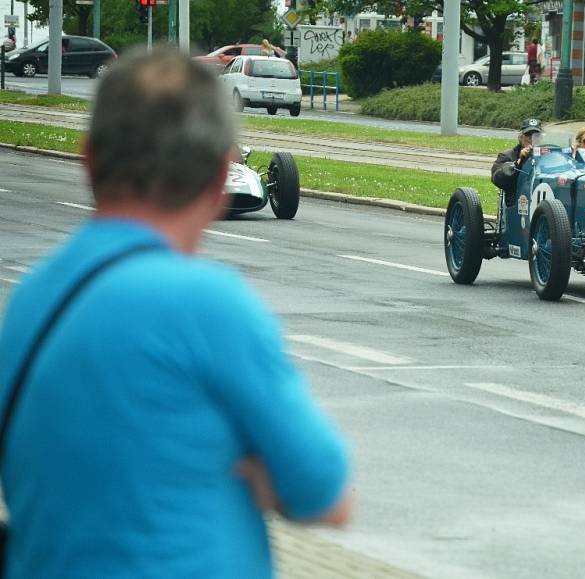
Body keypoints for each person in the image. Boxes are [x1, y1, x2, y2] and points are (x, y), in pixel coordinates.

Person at [0, 47, 352, 579]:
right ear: (220, 177)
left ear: (89, 159)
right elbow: (325, 494)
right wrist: (247, 467)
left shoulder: (30, 300)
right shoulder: (206, 304)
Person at [491, 118, 544, 206]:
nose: (531, 138)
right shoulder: (507, 156)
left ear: (541, 138)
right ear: (521, 136)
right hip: (517, 203)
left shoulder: (546, 156)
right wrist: (518, 162)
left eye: (536, 135)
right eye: (528, 134)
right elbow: (497, 179)